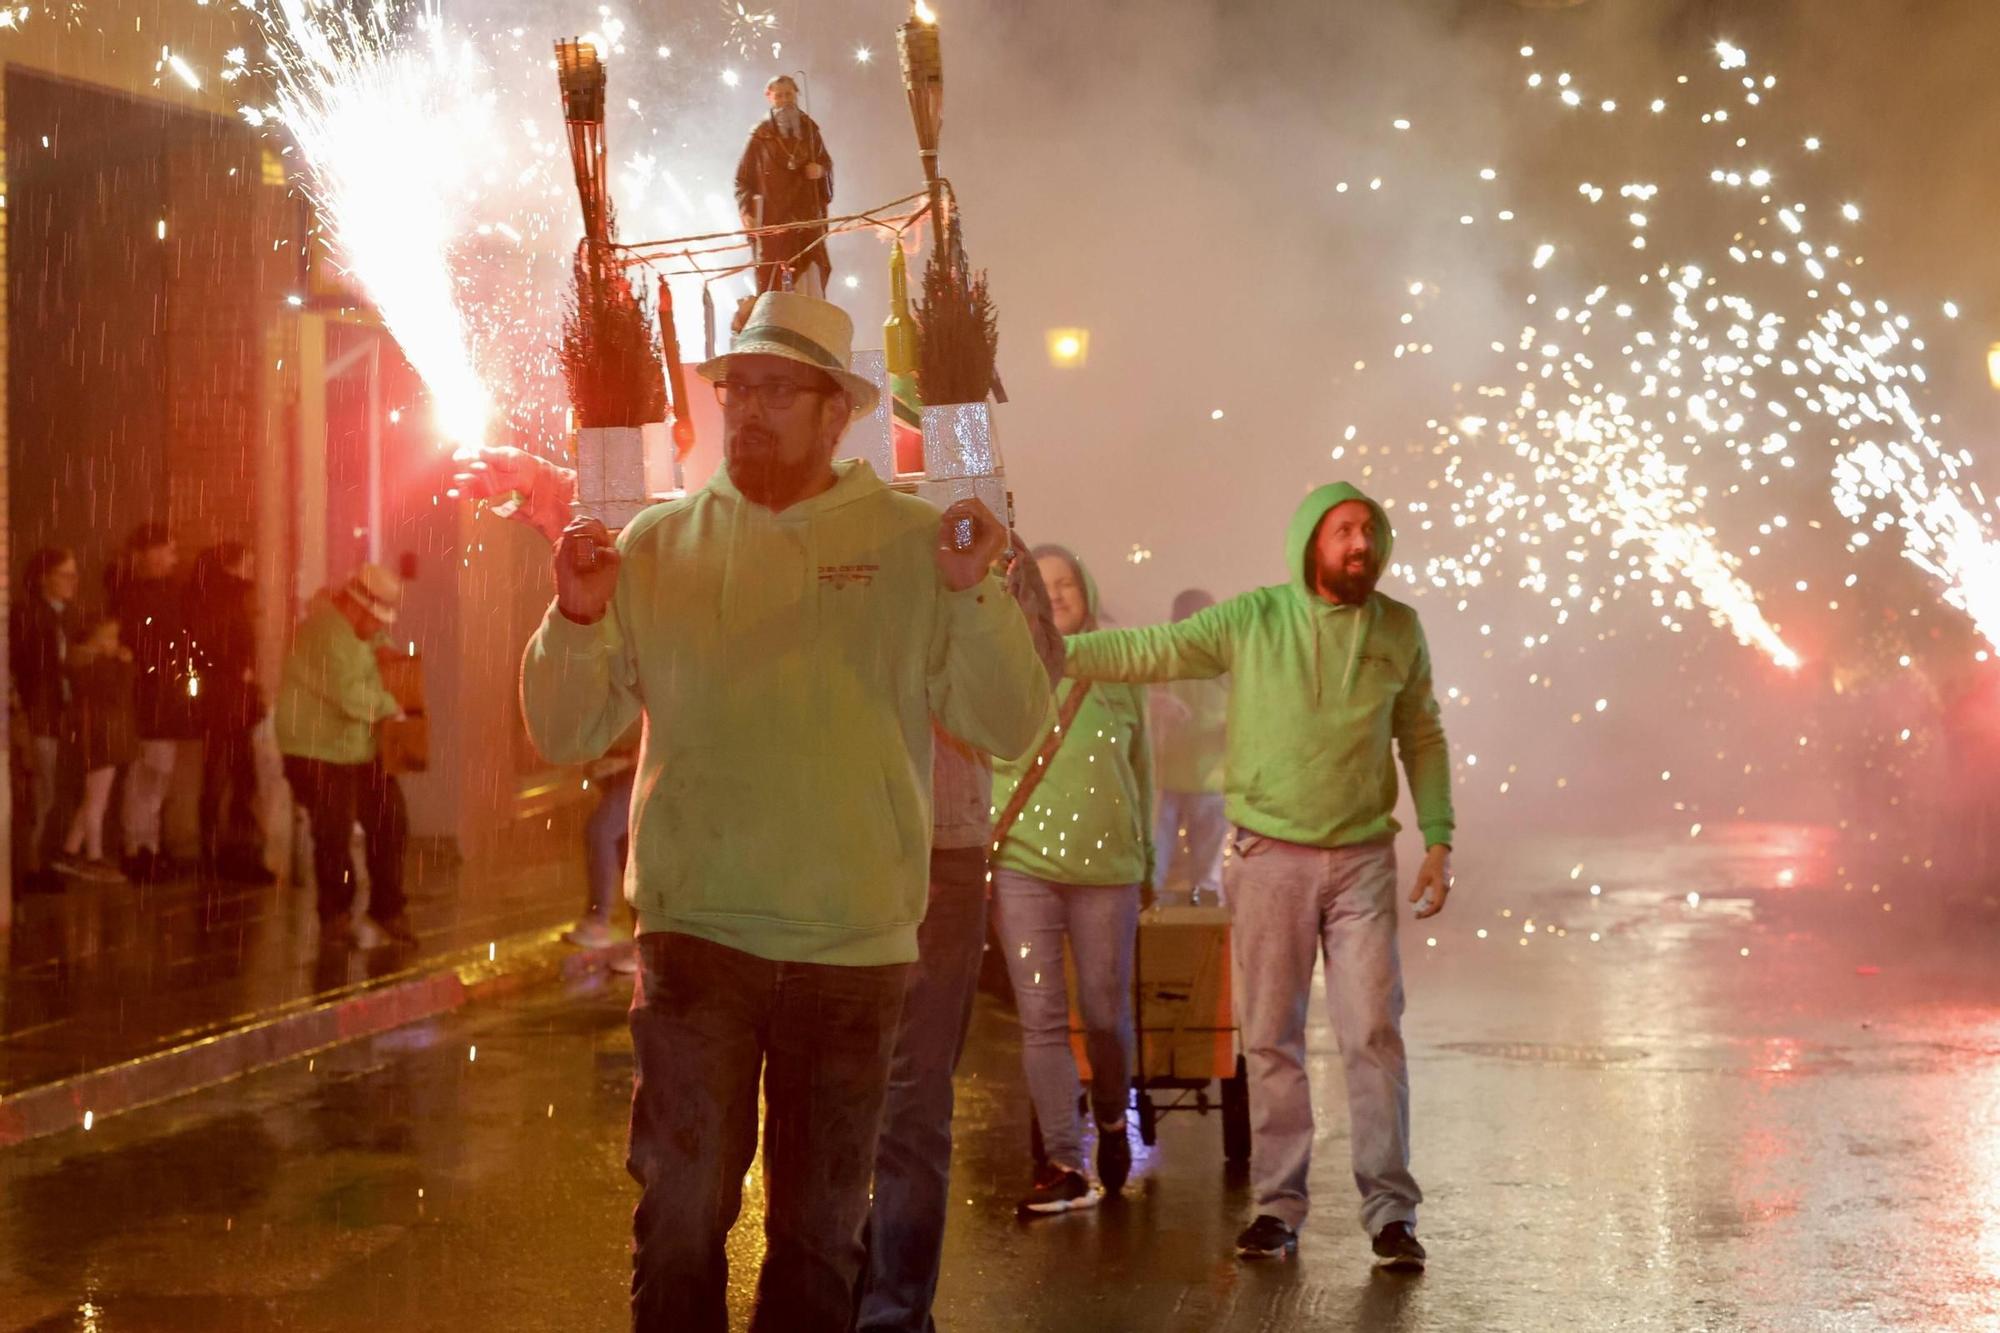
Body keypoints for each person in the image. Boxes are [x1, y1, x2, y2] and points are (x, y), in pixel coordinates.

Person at [521, 290, 1048, 1332]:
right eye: (737, 388)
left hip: (851, 954)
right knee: (677, 1216)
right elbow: (565, 730)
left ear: (833, 412)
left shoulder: (910, 540)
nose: (748, 409)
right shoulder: (657, 545)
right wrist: (575, 617)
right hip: (693, 940)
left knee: (814, 1238)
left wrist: (967, 591)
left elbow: (1005, 719)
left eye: (777, 390)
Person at [1062, 482, 1455, 1274]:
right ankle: (1278, 1207)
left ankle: (1391, 1213)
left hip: (1364, 864)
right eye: (1345, 530)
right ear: (1311, 538)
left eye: (1371, 532)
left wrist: (1439, 837)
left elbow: (1423, 733)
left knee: (1373, 1033)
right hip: (1269, 857)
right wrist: (1058, 648)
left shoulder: (1398, 629)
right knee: (1271, 1039)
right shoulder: (1253, 619)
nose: (1361, 544)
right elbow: (1152, 652)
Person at [855, 545, 1064, 1332]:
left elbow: (1035, 676)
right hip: (829, 845)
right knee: (833, 1096)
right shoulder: (831, 518)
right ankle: (836, 1286)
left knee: (910, 1101)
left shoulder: (979, 529)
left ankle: (893, 1310)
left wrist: (984, 586)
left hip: (941, 845)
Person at [986, 544, 1152, 1216]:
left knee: (1106, 1014)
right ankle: (1064, 1161)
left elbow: (1143, 768)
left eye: (1065, 583)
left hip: (1108, 870)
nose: (1054, 594)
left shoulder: (1114, 669)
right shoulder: (1002, 667)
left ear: (1087, 590)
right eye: (1039, 583)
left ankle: (1112, 1119)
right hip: (1022, 865)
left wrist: (1151, 866)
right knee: (1042, 1018)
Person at [275, 564, 416, 949]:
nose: (377, 626)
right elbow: (350, 695)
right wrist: (394, 706)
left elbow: (372, 643)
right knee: (333, 833)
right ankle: (335, 917)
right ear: (354, 607)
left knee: (390, 821)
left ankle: (388, 909)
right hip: (315, 749)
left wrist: (383, 647)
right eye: (374, 618)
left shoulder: (354, 629)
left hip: (356, 747)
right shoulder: (324, 633)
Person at [106, 523, 196, 881]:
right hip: (152, 695)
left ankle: (147, 846)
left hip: (161, 694)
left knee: (154, 774)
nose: (173, 559)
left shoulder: (151, 593)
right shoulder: (139, 595)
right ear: (150, 553)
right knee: (150, 773)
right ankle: (140, 847)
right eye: (168, 550)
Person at [188, 543, 271, 882]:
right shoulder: (228, 602)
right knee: (237, 776)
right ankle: (235, 852)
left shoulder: (209, 598)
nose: (253, 568)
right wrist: (240, 672)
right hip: (231, 700)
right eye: (248, 561)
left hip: (223, 700)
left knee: (221, 776)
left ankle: (217, 851)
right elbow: (221, 647)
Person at [1151, 588, 1230, 905]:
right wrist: (1157, 703)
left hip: (1211, 782)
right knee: (1154, 869)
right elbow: (1137, 698)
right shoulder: (1162, 657)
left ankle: (1207, 943)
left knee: (1206, 880)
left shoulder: (1228, 660)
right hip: (1166, 782)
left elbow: (1249, 707)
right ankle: (1151, 929)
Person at [9, 547, 79, 889]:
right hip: (38, 714)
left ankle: (32, 861)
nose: (73, 582)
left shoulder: (56, 617)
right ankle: (28, 865)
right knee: (38, 791)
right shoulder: (32, 616)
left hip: (49, 713)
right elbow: (30, 669)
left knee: (44, 791)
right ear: (43, 578)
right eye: (65, 575)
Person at [734, 74, 834, 298]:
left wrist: (819, 171)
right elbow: (742, 180)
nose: (785, 100)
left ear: (796, 95)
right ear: (770, 98)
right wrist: (746, 211)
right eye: (779, 96)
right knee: (776, 288)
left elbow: (826, 164)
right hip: (774, 226)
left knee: (810, 286)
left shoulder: (810, 132)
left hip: (807, 222)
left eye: (789, 94)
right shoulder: (760, 137)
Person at [56, 614, 137, 882]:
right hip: (103, 739)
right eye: (111, 637)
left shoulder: (83, 662)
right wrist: (126, 667)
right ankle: (93, 856)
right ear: (97, 639)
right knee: (97, 802)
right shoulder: (97, 665)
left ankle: (69, 850)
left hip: (94, 737)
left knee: (91, 798)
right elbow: (118, 695)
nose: (116, 643)